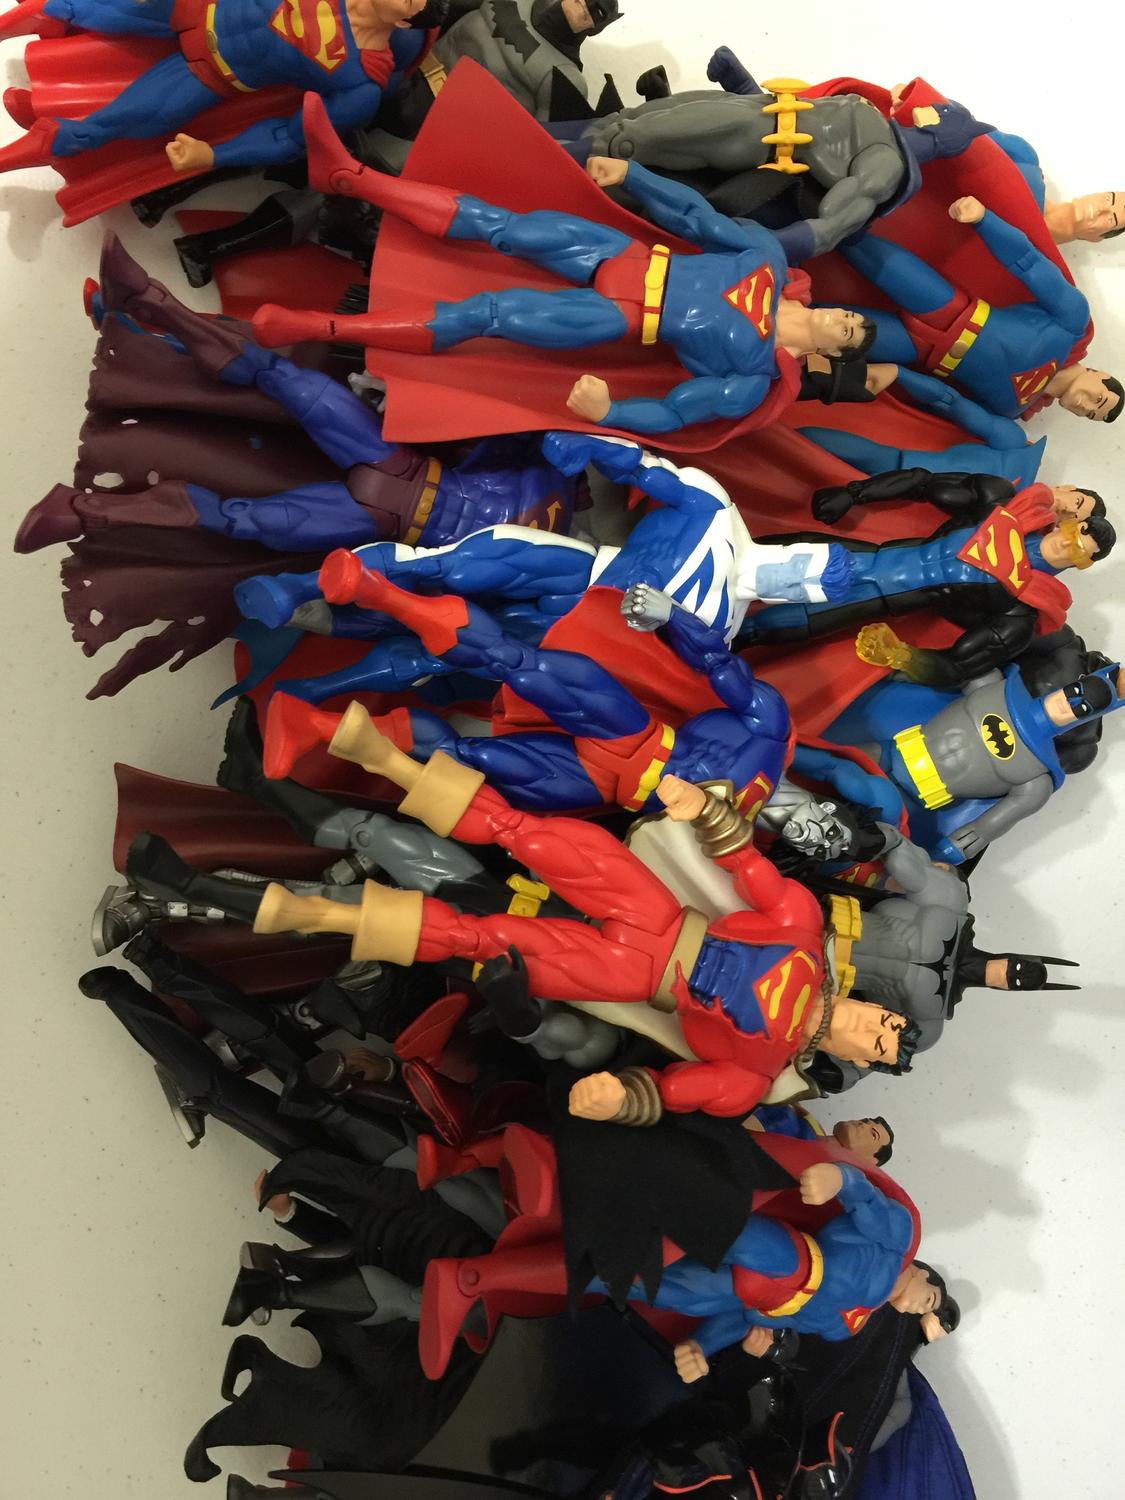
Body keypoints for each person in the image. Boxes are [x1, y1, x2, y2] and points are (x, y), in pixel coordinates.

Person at [247, 93, 875, 438]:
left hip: (617, 314)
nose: (842, 320)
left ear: (828, 355)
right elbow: (695, 217)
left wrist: (610, 414)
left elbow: (678, 410)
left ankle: (317, 326)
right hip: (626, 255)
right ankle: (349, 176)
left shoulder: (752, 378)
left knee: (486, 314)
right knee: (502, 224)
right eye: (849, 315)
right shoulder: (767, 262)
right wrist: (634, 174)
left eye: (847, 332)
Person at [0, 0, 433, 174]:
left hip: (208, 73)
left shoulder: (362, 83)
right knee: (72, 5)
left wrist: (214, 155)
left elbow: (288, 138)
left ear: (404, 20)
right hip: (188, 6)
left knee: (109, 126)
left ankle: (26, 145)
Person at [840, 194, 1121, 423]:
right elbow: (1027, 262)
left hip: (918, 351)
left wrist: (899, 376)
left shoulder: (1012, 409)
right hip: (947, 308)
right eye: (1098, 398)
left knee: (827, 328)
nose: (1085, 405)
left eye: (1090, 414)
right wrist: (985, 220)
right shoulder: (1072, 322)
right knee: (852, 239)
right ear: (1101, 375)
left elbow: (946, 401)